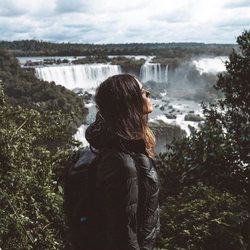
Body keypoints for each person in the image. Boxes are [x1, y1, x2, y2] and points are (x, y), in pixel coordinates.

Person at [85, 74, 160, 250]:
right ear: (129, 101)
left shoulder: (126, 147)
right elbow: (123, 235)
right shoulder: (121, 163)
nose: (148, 93)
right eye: (142, 92)